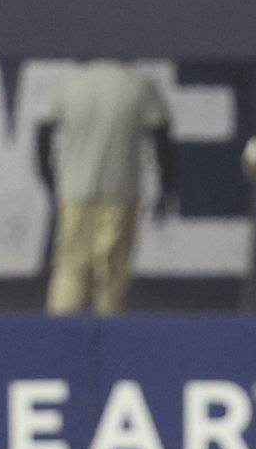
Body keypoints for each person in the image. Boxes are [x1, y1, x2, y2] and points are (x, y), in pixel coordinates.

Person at [36, 59, 176, 315]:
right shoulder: (136, 86)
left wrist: (50, 179)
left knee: (70, 269)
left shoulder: (71, 85)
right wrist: (167, 186)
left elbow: (43, 133)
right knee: (113, 275)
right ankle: (109, 339)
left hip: (75, 192)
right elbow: (161, 136)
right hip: (120, 191)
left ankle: (57, 338)